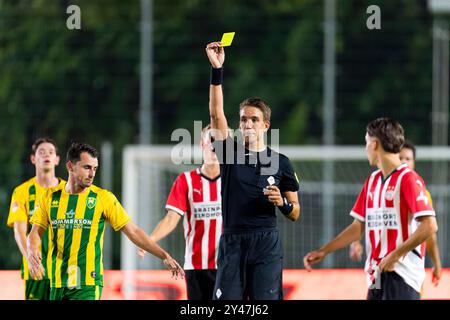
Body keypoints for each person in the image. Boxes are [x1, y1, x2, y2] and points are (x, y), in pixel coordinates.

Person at [27, 142, 184, 300]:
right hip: (57, 283)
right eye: (87, 167)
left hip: (87, 283)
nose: (92, 174)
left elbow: (133, 231)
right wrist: (32, 250)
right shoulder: (49, 197)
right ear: (70, 166)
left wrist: (164, 255)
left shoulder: (103, 198)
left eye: (95, 169)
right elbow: (34, 233)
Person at [205, 41, 301, 300]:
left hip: (266, 243)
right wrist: (217, 70)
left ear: (266, 125)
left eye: (254, 119)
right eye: (243, 119)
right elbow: (216, 115)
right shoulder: (229, 152)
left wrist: (281, 202)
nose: (247, 123)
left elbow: (295, 212)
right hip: (233, 241)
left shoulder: (281, 162)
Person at [304, 118, 438, 300]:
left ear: (374, 144)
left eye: (366, 143)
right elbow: (358, 226)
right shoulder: (373, 180)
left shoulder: (408, 179)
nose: (366, 148)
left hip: (401, 273)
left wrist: (395, 255)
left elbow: (430, 226)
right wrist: (324, 250)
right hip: (375, 274)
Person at [140, 125, 222, 300]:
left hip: (227, 265)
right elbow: (171, 219)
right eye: (211, 142)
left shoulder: (233, 181)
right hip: (196, 267)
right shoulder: (186, 180)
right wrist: (149, 240)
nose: (215, 148)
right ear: (202, 144)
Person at [349, 140, 442, 286]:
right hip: (377, 265)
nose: (404, 162)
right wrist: (355, 241)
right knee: (375, 290)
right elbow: (367, 218)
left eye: (408, 159)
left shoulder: (419, 192)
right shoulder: (378, 184)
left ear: (414, 162)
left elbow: (429, 231)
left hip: (404, 267)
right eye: (401, 158)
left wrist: (436, 262)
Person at [6, 138, 65, 300]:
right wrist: (30, 259)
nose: (46, 155)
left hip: (65, 269)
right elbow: (19, 231)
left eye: (51, 152)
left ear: (57, 159)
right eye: (41, 152)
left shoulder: (68, 191)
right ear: (33, 159)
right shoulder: (22, 191)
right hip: (36, 271)